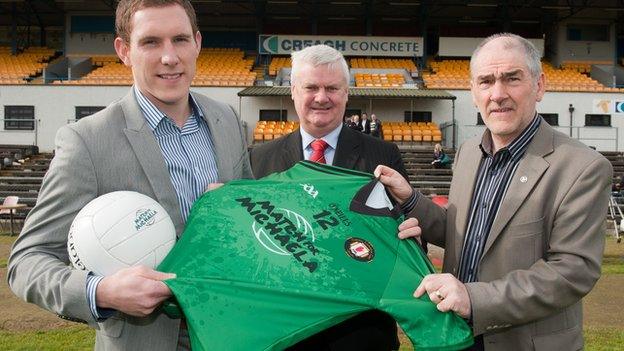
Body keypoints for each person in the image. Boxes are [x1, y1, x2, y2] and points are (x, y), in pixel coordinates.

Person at [7, 1, 252, 350]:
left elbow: (251, 218)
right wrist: (102, 291)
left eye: (180, 39)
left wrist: (233, 209)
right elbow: (27, 261)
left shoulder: (227, 120)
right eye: (151, 42)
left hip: (230, 333)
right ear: (124, 50)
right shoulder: (88, 140)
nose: (169, 57)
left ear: (197, 43)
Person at [374, 33, 611, 350]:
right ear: (473, 92)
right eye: (485, 81)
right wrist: (411, 199)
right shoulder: (469, 151)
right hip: (458, 335)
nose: (498, 94)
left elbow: (572, 271)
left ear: (539, 86)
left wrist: (473, 298)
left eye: (512, 79)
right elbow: (464, 233)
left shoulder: (582, 166)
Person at [250, 44, 411, 351]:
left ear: (346, 93)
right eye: (311, 87)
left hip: (362, 334)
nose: (321, 97)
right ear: (294, 91)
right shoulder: (259, 160)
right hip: (285, 332)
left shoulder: (383, 155)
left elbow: (405, 241)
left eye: (332, 88)